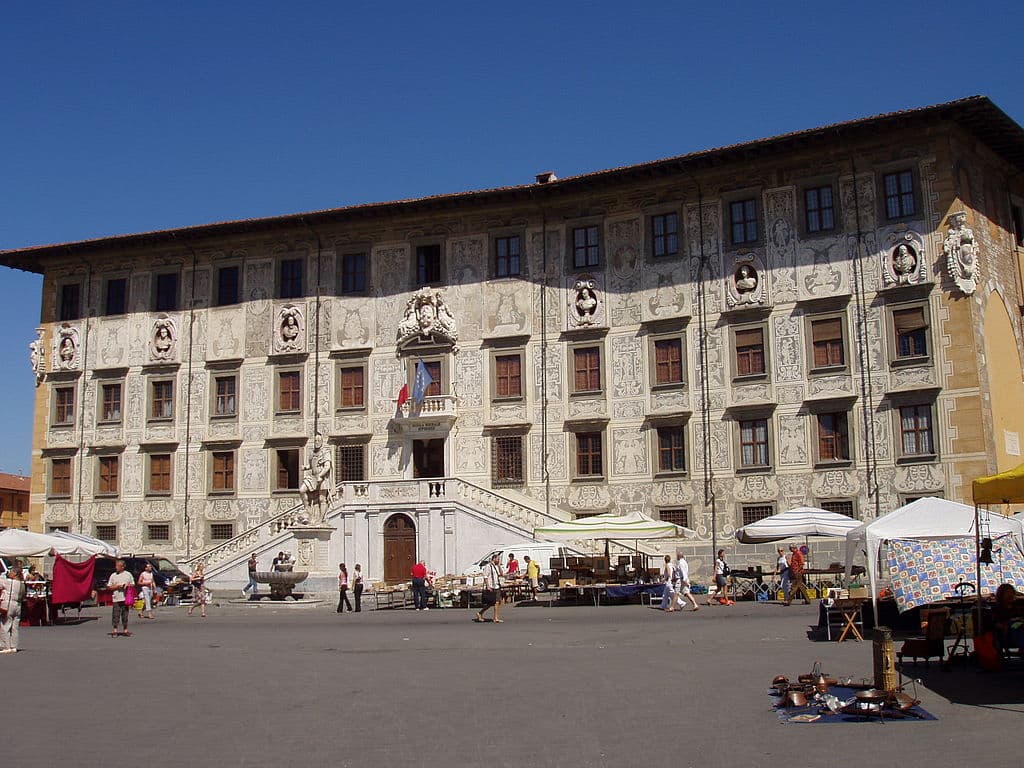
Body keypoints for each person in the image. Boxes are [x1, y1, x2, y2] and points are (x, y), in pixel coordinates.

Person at [0, 566, 26, 653]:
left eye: (11, 571)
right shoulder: (22, 584)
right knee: (15, 627)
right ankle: (13, 646)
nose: (9, 573)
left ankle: (5, 646)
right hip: (18, 605)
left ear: (15, 573)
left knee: (5, 625)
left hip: (8, 604)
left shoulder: (9, 582)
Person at [107, 559, 136, 636]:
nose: (116, 567)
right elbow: (109, 586)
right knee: (116, 614)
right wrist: (117, 586)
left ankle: (125, 630)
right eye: (116, 566)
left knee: (125, 615)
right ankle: (115, 630)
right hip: (116, 598)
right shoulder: (113, 575)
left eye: (118, 566)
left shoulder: (128, 574)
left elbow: (133, 584)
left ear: (122, 567)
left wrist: (127, 586)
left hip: (125, 598)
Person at [474, 554, 503, 623]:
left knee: (497, 602)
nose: (499, 560)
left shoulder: (496, 566)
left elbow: (501, 574)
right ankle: (482, 613)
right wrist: (488, 586)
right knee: (491, 603)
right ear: (494, 559)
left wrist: (499, 566)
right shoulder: (488, 566)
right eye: (498, 559)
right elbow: (485, 576)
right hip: (491, 586)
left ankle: (494, 617)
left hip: (497, 586)